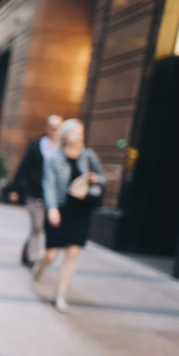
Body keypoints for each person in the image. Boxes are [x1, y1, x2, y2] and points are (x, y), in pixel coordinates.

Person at [32, 119, 105, 313]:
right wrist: (52, 208)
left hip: (80, 211)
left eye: (80, 132)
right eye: (74, 132)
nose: (78, 136)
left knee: (73, 253)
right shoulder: (53, 158)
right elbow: (49, 185)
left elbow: (102, 176)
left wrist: (96, 178)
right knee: (52, 254)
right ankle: (40, 266)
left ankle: (60, 294)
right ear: (64, 136)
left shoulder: (88, 156)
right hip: (60, 209)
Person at [8, 115, 63, 268]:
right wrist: (15, 189)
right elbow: (23, 167)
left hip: (53, 196)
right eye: (52, 128)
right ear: (46, 129)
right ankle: (32, 259)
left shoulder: (63, 149)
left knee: (38, 228)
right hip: (34, 193)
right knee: (37, 226)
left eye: (58, 128)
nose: (55, 131)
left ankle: (27, 251)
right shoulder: (36, 146)